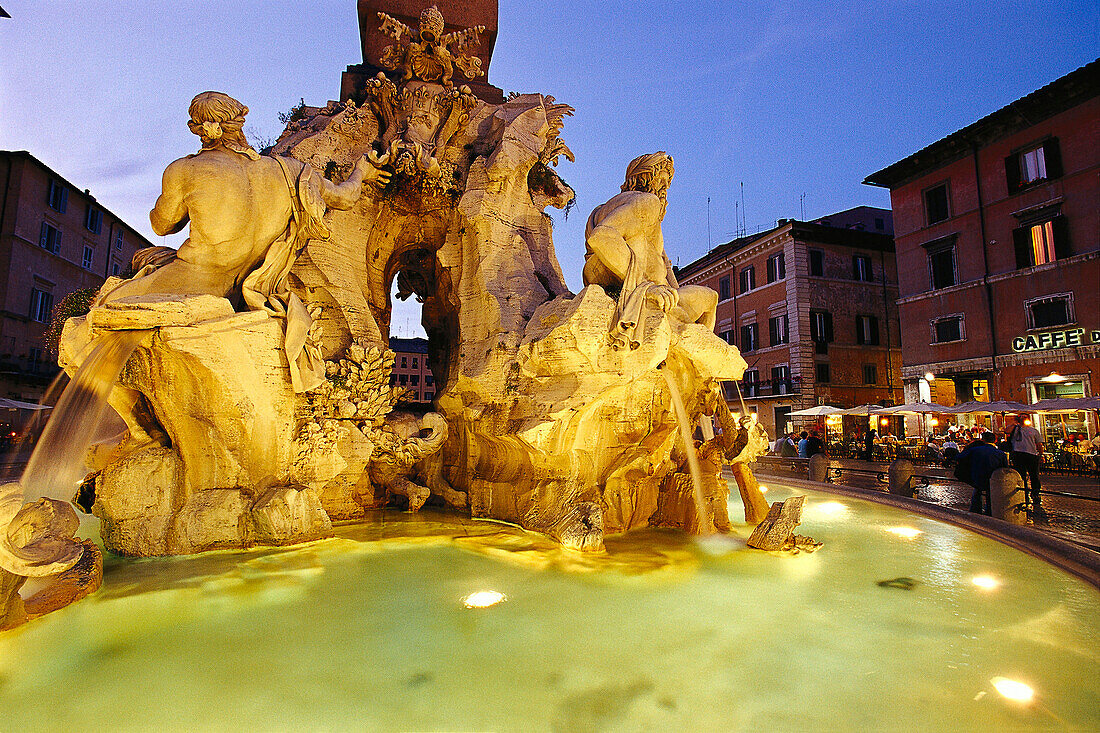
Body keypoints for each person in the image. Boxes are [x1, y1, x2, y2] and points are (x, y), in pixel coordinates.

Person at [583, 152, 718, 349]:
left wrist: (671, 290)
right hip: (631, 281)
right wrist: (647, 288)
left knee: (709, 298)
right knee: (710, 298)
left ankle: (691, 358)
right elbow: (602, 237)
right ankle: (691, 360)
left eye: (667, 184)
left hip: (652, 287)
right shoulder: (646, 202)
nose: (664, 189)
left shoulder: (634, 210)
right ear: (642, 178)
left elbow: (665, 265)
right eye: (661, 180)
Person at [954, 431, 1008, 515]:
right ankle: (990, 510)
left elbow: (959, 457)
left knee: (977, 493)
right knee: (990, 495)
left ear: (983, 440)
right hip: (993, 478)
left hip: (977, 476)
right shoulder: (1000, 453)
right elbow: (1005, 468)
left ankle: (975, 510)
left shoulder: (975, 450)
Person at [1006, 414, 1044, 512]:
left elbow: (1039, 444)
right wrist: (1015, 423)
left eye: (1025, 417)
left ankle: (1035, 494)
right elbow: (1006, 431)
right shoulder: (1015, 429)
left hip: (1031, 454)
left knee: (1034, 475)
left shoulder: (1033, 430)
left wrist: (1040, 454)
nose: (1023, 418)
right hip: (1018, 454)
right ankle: (1023, 493)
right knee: (1020, 475)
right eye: (1021, 417)